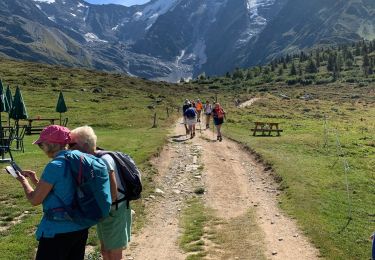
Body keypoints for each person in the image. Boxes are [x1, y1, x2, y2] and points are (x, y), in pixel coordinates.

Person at [16, 125, 89, 260]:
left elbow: (34, 200)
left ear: (51, 144)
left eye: (41, 145)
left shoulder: (55, 166)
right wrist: (35, 180)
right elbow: (60, 191)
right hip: (80, 226)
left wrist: (23, 182)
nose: (41, 148)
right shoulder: (79, 159)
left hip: (57, 231)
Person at [70, 126, 131, 260]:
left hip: (113, 210)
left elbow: (112, 192)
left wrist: (104, 211)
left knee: (113, 253)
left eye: (72, 144)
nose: (69, 148)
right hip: (105, 210)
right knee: (105, 250)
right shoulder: (93, 158)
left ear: (84, 145)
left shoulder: (103, 160)